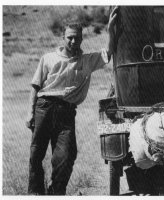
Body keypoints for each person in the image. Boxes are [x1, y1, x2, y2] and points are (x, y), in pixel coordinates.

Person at [25, 7, 118, 195]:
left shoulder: (86, 61)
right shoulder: (48, 58)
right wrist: (30, 113)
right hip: (44, 108)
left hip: (67, 113)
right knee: (36, 155)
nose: (73, 41)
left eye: (77, 37)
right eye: (70, 37)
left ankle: (56, 193)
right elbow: (35, 87)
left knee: (66, 156)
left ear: (82, 39)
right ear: (63, 38)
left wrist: (111, 28)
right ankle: (34, 194)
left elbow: (109, 52)